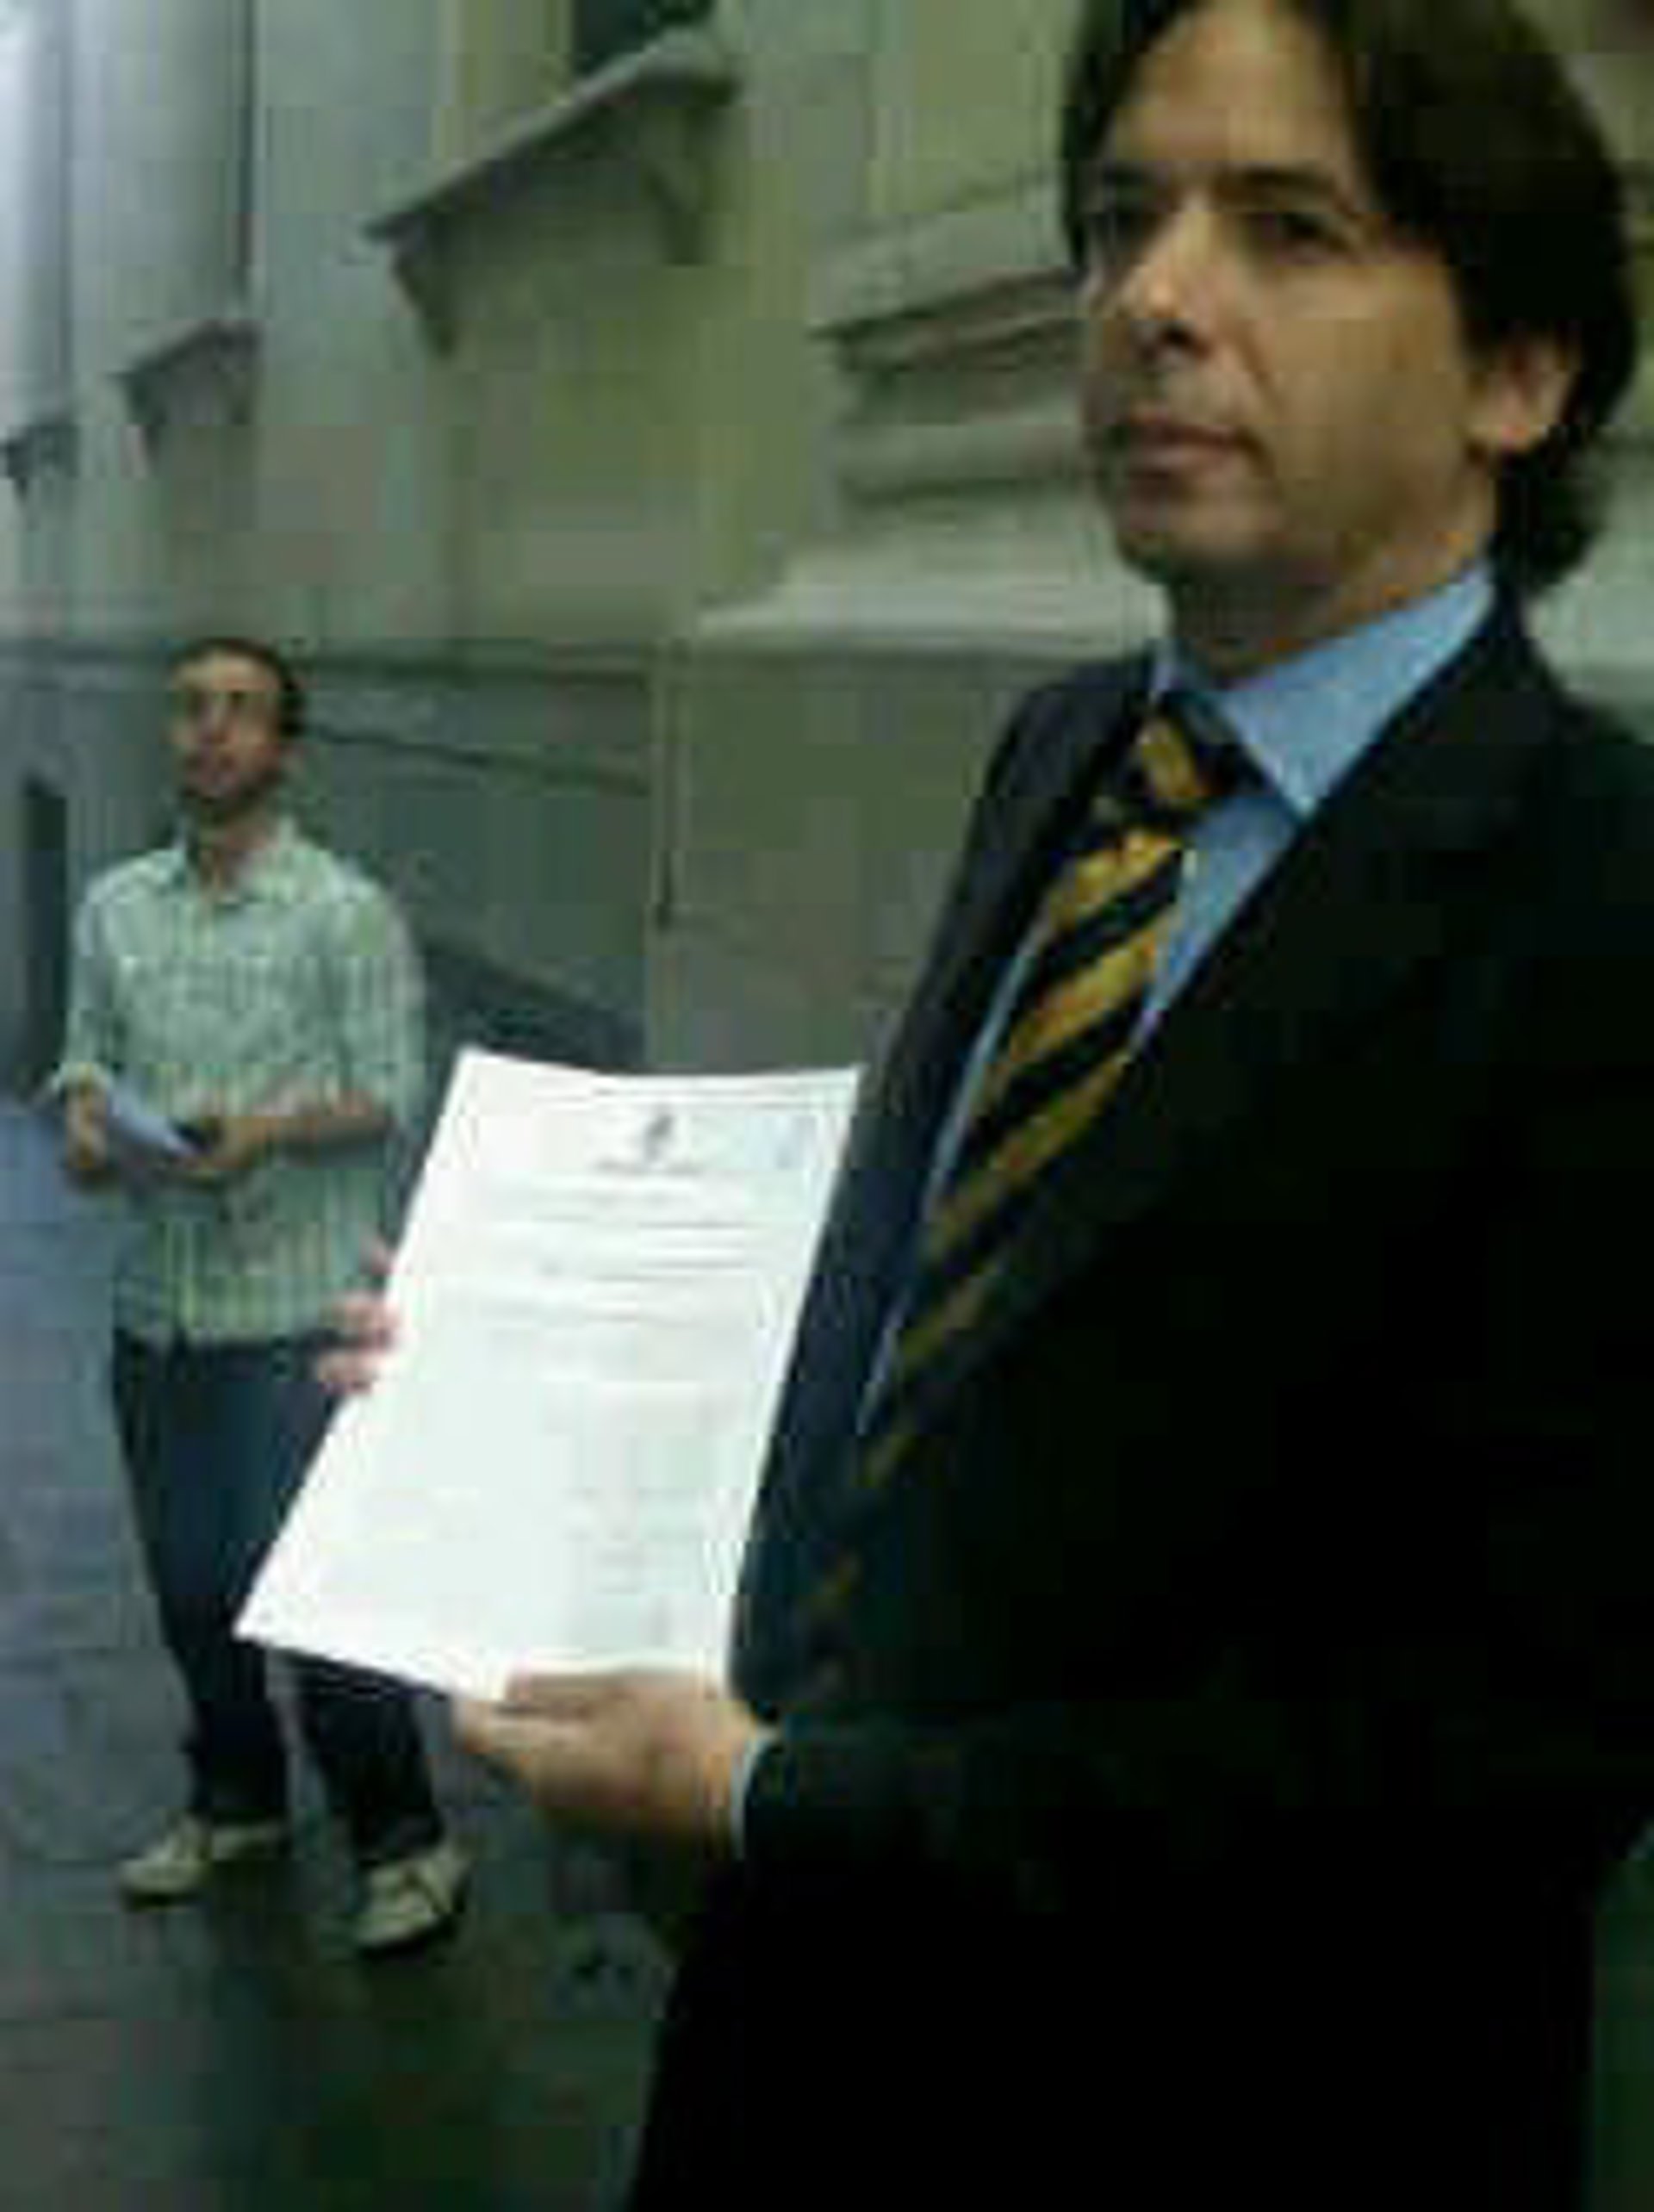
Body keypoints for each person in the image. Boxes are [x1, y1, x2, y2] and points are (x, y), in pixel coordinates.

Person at [344, 0, 1654, 2197]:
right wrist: (533, 1369)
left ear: (1517, 375)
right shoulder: (1071, 755)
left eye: (1289, 229)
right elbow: (961, 1336)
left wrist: (776, 1798)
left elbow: (1489, 1765)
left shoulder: (1600, 904)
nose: (1153, 300)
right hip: (789, 2055)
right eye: (1122, 219)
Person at [54, 636, 468, 1957]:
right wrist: (86, 1128)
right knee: (191, 1587)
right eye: (191, 707)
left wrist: (270, 1132)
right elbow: (83, 1063)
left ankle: (405, 1840)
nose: (211, 730)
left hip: (299, 1317)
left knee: (317, 1596)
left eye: (241, 710)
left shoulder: (344, 911)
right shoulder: (115, 906)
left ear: (284, 748)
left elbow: (389, 1095)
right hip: (159, 1312)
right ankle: (237, 1801)